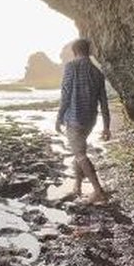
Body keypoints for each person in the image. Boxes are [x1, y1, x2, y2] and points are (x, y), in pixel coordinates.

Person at [55, 38, 111, 204]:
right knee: (79, 151)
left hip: (74, 119)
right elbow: (104, 101)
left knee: (79, 154)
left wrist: (59, 117)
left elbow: (65, 94)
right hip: (90, 120)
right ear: (89, 51)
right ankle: (77, 187)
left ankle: (98, 191)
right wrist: (106, 126)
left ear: (74, 52)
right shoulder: (97, 72)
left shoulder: (71, 67)